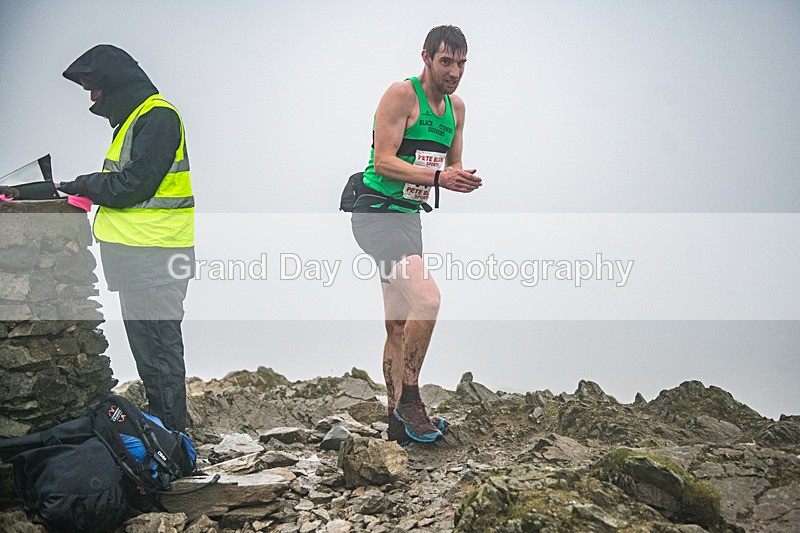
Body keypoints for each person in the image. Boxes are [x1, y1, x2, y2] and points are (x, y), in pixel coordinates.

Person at [350, 26, 482, 443]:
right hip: (374, 214)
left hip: (408, 218)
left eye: (461, 63)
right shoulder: (401, 95)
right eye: (446, 62)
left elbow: (451, 165)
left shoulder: (457, 109)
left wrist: (457, 177)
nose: (455, 71)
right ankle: (410, 398)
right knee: (427, 298)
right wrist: (440, 176)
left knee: (397, 324)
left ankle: (396, 423)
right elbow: (385, 162)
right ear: (426, 57)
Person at [57, 45, 195, 432]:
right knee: (152, 354)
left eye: (94, 87)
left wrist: (81, 184)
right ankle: (168, 441)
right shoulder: (138, 119)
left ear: (115, 83)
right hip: (142, 256)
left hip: (155, 254)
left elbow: (134, 184)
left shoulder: (158, 117)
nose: (92, 97)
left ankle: (172, 447)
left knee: (159, 354)